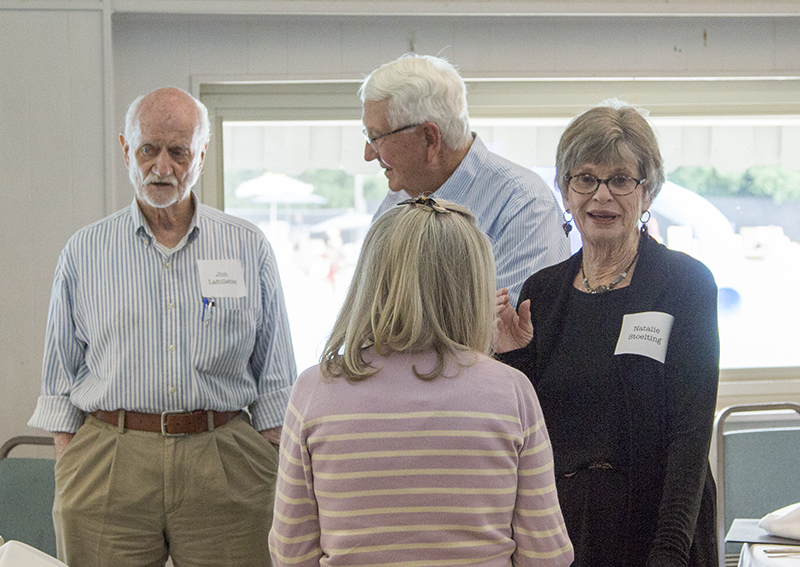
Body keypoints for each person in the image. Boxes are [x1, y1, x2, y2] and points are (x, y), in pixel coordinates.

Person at [28, 87, 296, 567]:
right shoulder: (84, 251)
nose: (163, 167)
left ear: (201, 154)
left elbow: (276, 378)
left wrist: (261, 462)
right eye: (149, 150)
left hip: (225, 459)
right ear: (127, 150)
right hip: (110, 459)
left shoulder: (247, 247)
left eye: (179, 152)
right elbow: (59, 380)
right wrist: (76, 463)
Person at [269, 197, 574, 567]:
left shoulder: (314, 390)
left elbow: (290, 550)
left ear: (369, 280)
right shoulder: (511, 391)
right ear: (473, 286)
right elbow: (547, 554)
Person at [495, 101, 720, 566]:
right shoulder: (544, 291)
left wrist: (670, 552)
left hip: (660, 530)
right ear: (566, 189)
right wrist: (511, 359)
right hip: (565, 533)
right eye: (586, 178)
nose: (602, 196)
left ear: (648, 191)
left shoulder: (685, 284)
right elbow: (527, 429)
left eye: (620, 180)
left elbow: (690, 433)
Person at [361, 53, 569, 304]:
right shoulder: (397, 200)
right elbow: (367, 313)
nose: (368, 154)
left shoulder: (524, 203)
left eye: (377, 137)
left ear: (429, 138)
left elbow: (507, 333)